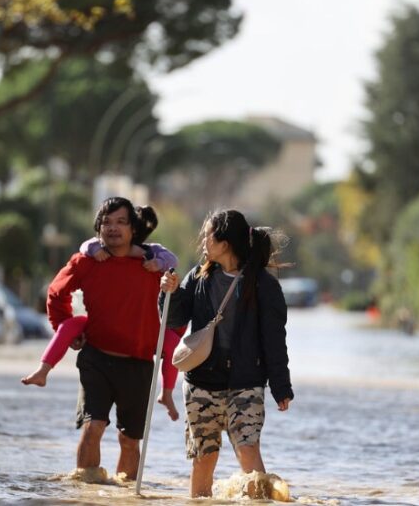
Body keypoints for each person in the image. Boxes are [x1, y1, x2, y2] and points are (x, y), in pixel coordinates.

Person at [45, 197, 184, 479]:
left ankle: (122, 499)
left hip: (140, 364)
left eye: (121, 222)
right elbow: (57, 293)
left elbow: (178, 310)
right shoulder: (87, 261)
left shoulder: (152, 265)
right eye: (106, 222)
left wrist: (172, 284)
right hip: (96, 358)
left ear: (133, 229)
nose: (113, 228)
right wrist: (66, 328)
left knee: (129, 441)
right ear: (98, 228)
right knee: (93, 426)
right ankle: (86, 492)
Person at [160, 209, 293, 498]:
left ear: (225, 243)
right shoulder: (199, 275)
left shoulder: (263, 285)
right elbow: (174, 319)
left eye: (207, 234)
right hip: (200, 384)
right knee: (203, 458)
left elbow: (274, 339)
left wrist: (281, 385)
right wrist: (168, 294)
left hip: (245, 384)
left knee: (248, 454)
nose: (203, 240)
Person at [21, 228, 182, 420]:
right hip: (101, 326)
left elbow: (172, 260)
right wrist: (95, 249)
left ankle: (167, 393)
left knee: (172, 342)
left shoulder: (150, 252)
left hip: (143, 330)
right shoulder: (100, 249)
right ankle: (43, 370)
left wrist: (158, 263)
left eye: (126, 225)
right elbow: (85, 246)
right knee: (71, 324)